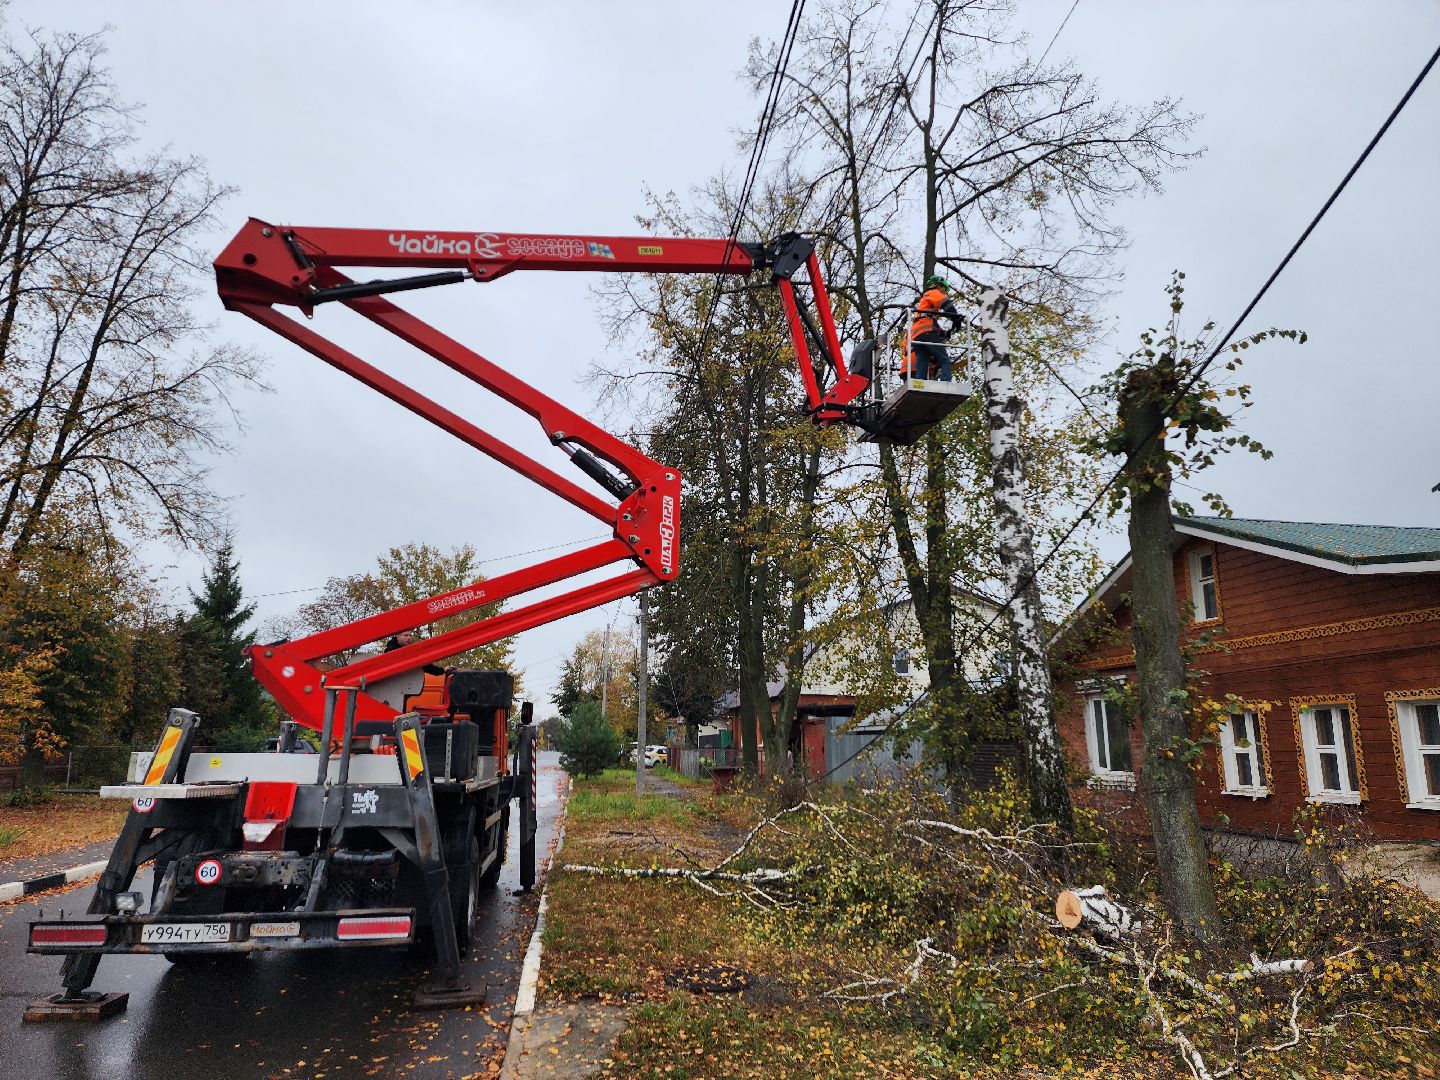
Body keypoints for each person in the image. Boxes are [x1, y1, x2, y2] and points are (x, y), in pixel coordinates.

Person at [904, 275, 960, 381]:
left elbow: (930, 322)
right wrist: (956, 318)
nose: (944, 292)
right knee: (945, 360)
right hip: (926, 333)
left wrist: (943, 333)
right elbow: (947, 305)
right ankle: (946, 384)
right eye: (944, 288)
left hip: (916, 337)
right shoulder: (933, 293)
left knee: (922, 364)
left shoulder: (926, 304)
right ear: (938, 285)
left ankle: (919, 385)